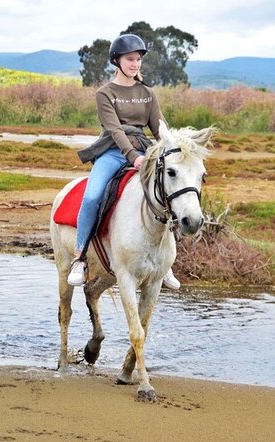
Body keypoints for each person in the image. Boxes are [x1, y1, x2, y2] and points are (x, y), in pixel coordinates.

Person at [67, 34, 181, 289]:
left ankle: (166, 265)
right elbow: (115, 130)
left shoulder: (147, 93)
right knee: (93, 196)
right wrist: (133, 157)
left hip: (144, 150)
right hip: (112, 151)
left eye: (138, 59)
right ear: (116, 61)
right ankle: (80, 257)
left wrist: (171, 146)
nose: (135, 64)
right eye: (130, 59)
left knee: (166, 193)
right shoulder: (105, 93)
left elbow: (159, 126)